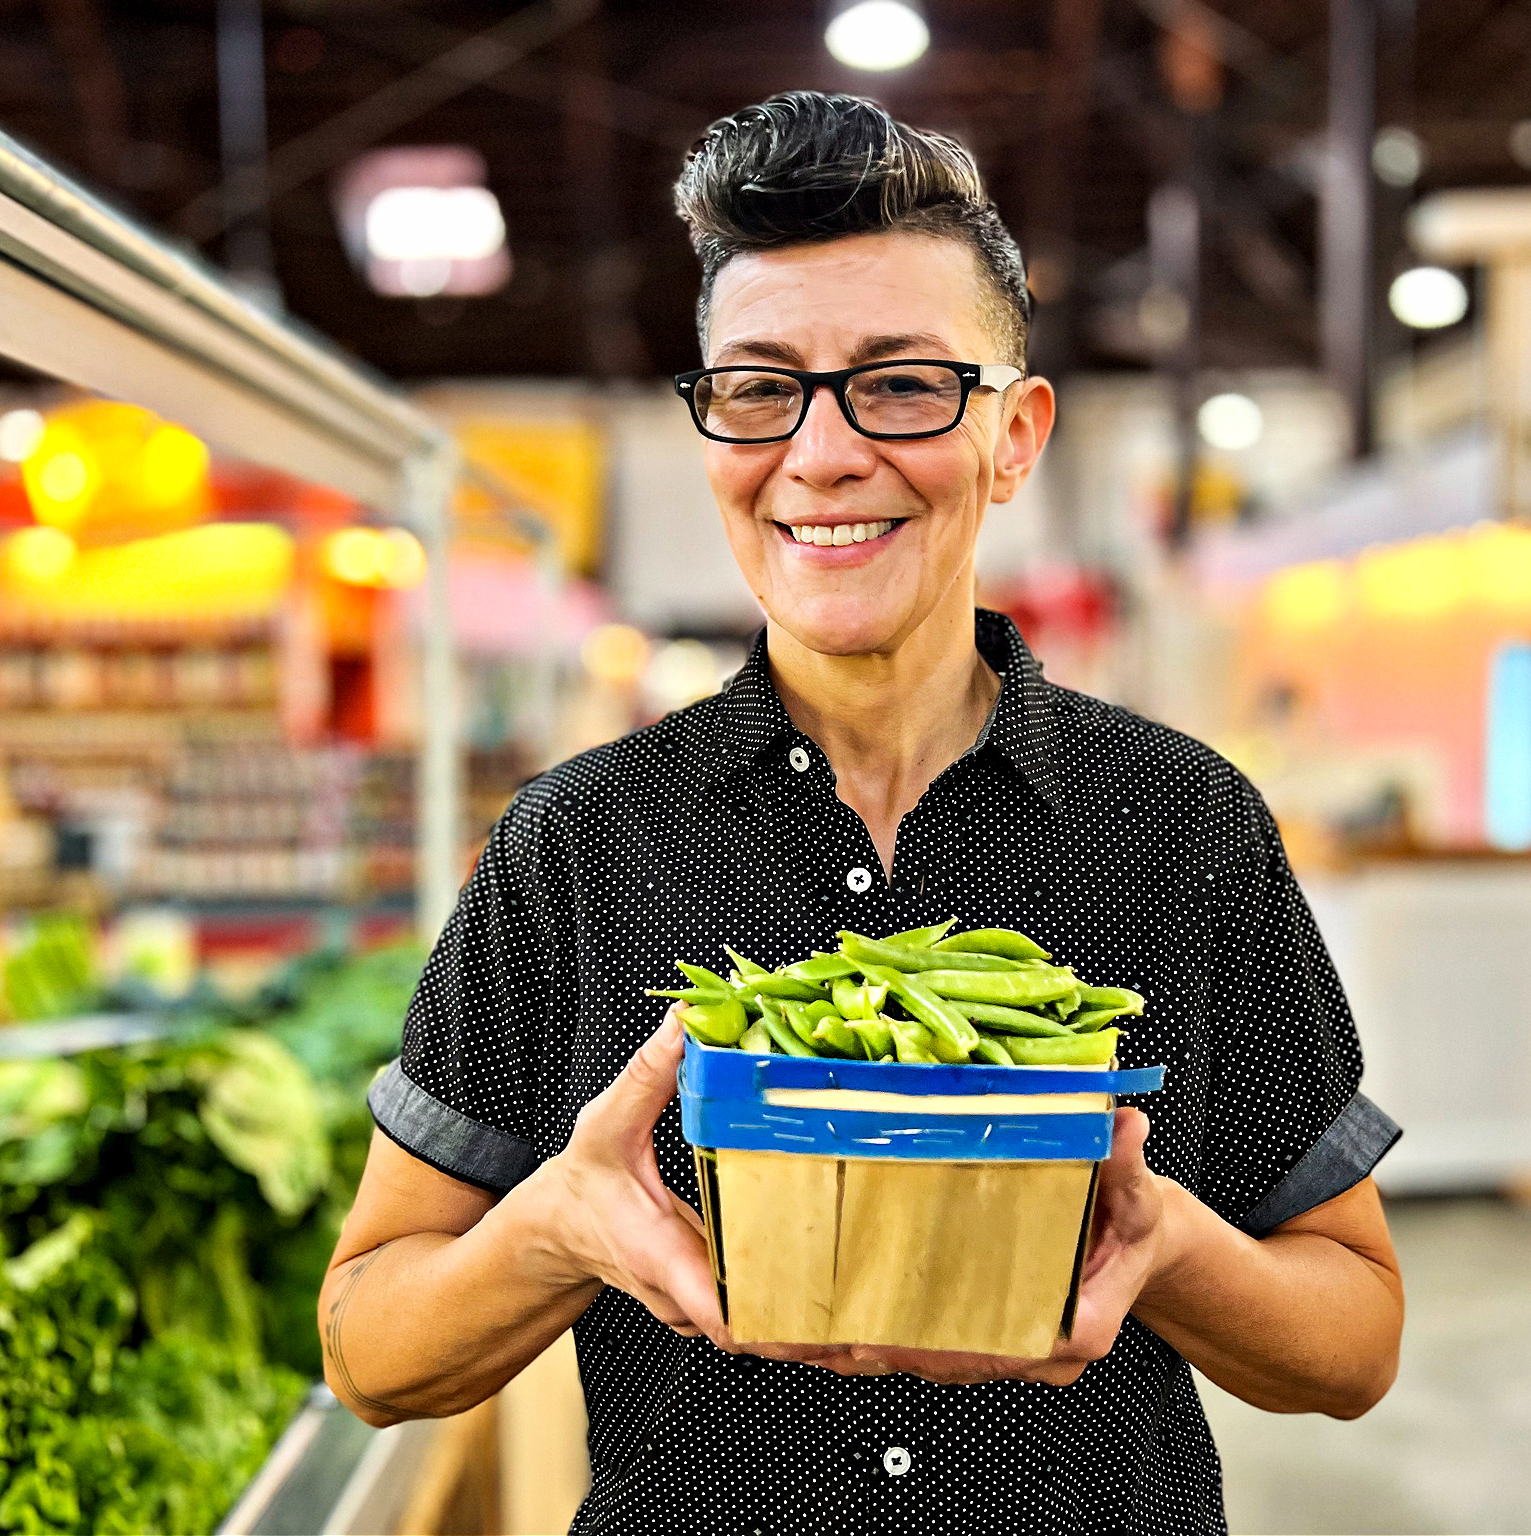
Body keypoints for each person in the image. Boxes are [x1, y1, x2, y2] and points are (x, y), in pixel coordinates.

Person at [322, 92, 1404, 1535]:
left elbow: (1356, 1341)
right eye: (760, 388)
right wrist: (557, 1225)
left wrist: (1170, 1247)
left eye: (901, 384)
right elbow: (370, 1349)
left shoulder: (1180, 827)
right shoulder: (576, 848)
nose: (822, 455)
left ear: (1015, 438)